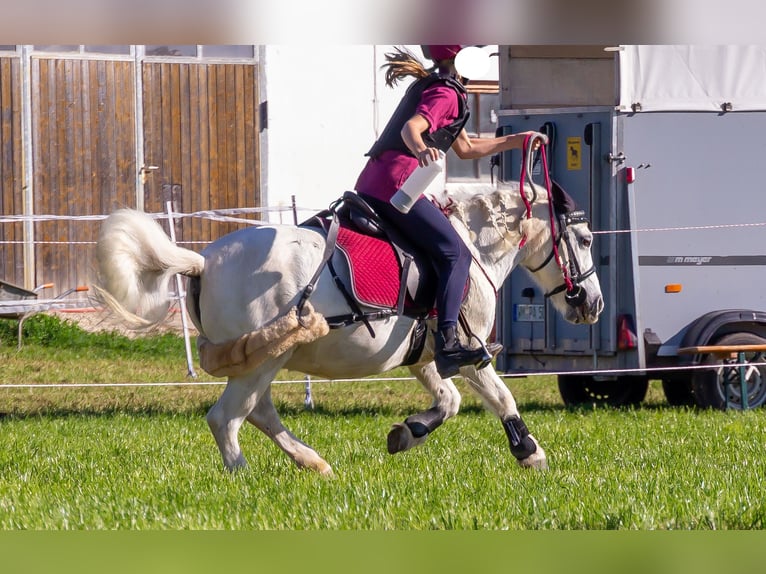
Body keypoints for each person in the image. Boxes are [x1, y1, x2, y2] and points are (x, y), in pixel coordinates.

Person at [354, 45, 539, 378]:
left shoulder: (437, 86)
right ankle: (449, 342)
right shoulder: (446, 93)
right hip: (397, 184)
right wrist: (422, 149)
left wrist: (517, 140)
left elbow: (466, 149)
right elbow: (411, 129)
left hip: (376, 181)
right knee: (456, 254)